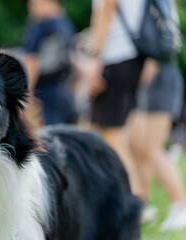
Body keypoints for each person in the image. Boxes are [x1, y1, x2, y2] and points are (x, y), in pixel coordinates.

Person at [76, 0, 147, 196]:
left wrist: (93, 57)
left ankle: (137, 202)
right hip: (129, 59)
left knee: (113, 136)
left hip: (113, 59)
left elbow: (105, 10)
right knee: (91, 129)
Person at [129, 61, 186, 230]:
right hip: (151, 80)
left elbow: (157, 49)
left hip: (159, 77)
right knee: (140, 148)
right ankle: (143, 205)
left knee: (154, 148)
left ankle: (181, 205)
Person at [23, 0, 77, 125]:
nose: (31, 6)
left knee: (47, 135)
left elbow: (32, 60)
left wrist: (26, 92)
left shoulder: (40, 26)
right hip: (63, 89)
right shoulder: (66, 25)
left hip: (44, 90)